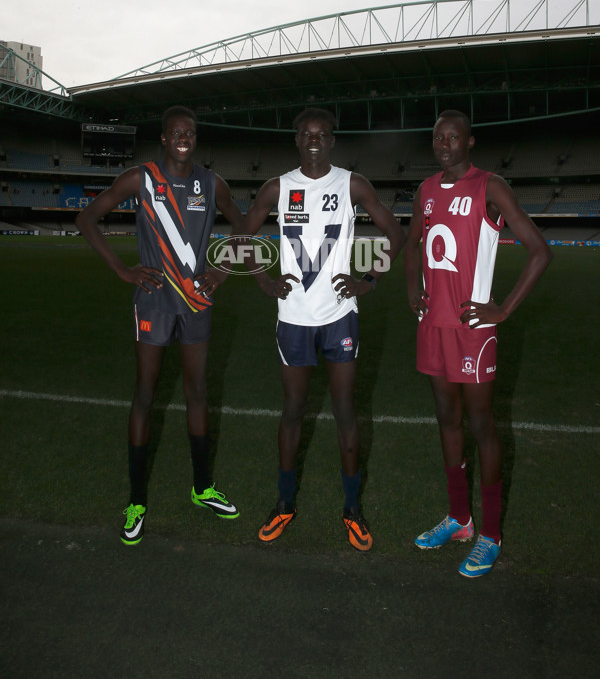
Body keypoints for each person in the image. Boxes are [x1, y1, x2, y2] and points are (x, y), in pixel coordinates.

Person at [76, 106, 243, 545]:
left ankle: (202, 488)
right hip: (153, 302)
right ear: (164, 139)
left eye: (190, 131)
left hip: (196, 302)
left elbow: (245, 226)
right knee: (145, 395)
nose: (183, 137)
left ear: (195, 138)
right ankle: (136, 502)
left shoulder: (212, 183)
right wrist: (121, 269)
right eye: (176, 132)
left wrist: (223, 270)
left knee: (197, 392)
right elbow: (86, 218)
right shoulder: (140, 179)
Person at [243, 107, 405, 551]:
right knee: (292, 411)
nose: (314, 139)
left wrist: (368, 280)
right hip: (293, 318)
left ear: (332, 141)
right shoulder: (277, 187)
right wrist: (263, 280)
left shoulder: (353, 184)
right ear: (297, 140)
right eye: (307, 134)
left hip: (340, 317)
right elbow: (242, 235)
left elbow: (396, 233)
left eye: (323, 134)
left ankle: (352, 510)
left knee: (345, 412)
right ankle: (284, 504)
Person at [403, 109, 552, 577]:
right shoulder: (425, 191)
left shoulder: (490, 186)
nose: (444, 144)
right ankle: (459, 518)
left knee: (482, 426)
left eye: (453, 137)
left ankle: (490, 533)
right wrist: (412, 285)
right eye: (437, 137)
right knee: (447, 420)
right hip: (434, 326)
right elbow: (412, 245)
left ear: (469, 142)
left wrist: (502, 309)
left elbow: (539, 250)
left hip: (473, 331)